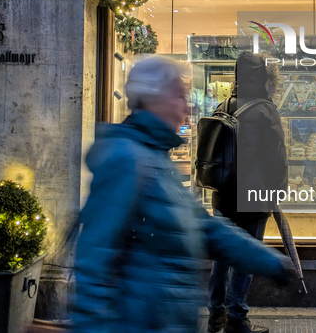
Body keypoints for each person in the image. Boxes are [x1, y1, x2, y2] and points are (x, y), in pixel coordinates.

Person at [71, 55, 293, 333]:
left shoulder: (157, 157)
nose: (187, 107)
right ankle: (236, 317)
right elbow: (94, 259)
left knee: (221, 265)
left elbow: (204, 226)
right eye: (179, 96)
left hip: (166, 317)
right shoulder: (127, 159)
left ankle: (219, 314)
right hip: (140, 322)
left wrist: (269, 261)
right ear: (154, 99)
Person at [208, 52, 287, 333]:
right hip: (253, 197)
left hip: (222, 194)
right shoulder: (266, 110)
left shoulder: (223, 105)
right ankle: (237, 318)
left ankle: (215, 313)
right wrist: (278, 192)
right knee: (245, 253)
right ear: (265, 79)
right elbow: (276, 158)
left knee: (222, 253)